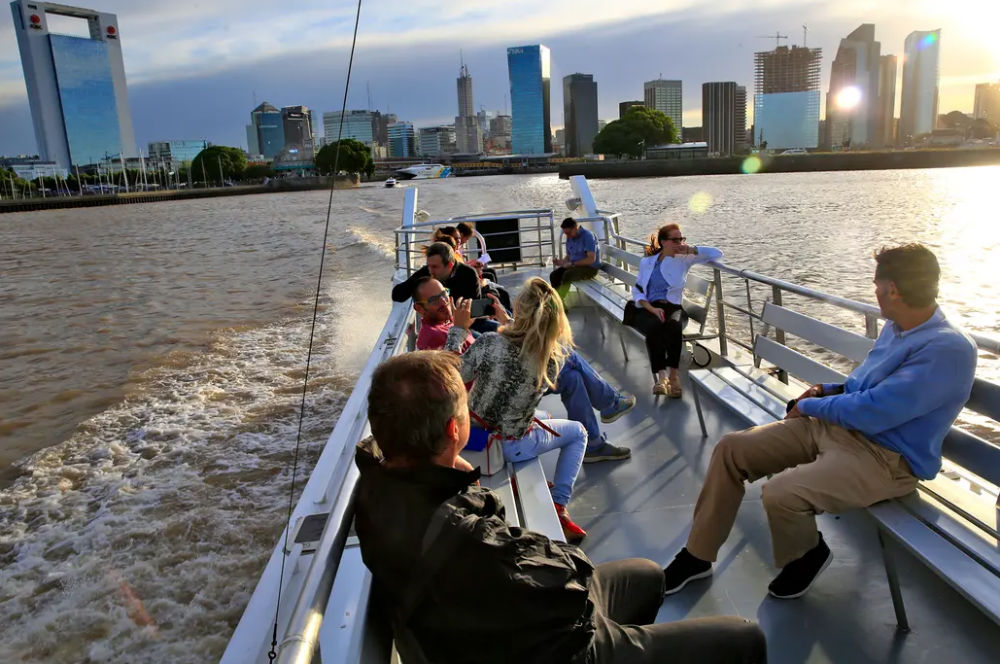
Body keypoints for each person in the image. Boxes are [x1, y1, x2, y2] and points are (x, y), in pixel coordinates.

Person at [355, 350, 768, 664]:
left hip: (487, 625)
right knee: (746, 637)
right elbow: (569, 577)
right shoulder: (468, 538)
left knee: (648, 575)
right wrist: (474, 491)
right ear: (453, 430)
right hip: (551, 647)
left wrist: (457, 479)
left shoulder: (377, 486)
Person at [662, 244, 977, 600]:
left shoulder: (947, 348)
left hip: (886, 459)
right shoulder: (898, 327)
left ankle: (808, 553)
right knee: (731, 449)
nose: (873, 291)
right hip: (841, 429)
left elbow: (878, 410)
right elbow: (864, 388)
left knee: (781, 493)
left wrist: (812, 408)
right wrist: (825, 391)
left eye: (876, 284)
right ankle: (697, 555)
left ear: (893, 289)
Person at [444, 278, 620, 542]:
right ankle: (559, 503)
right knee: (578, 432)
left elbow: (450, 377)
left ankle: (553, 500)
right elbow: (521, 355)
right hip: (514, 445)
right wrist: (511, 321)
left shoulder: (489, 342)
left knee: (541, 418)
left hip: (477, 437)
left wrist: (458, 330)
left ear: (519, 310)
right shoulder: (551, 359)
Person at [413, 277, 635, 463]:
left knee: (572, 375)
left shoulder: (448, 325)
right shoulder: (433, 336)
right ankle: (608, 405)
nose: (444, 301)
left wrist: (504, 323)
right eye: (435, 299)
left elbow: (494, 352)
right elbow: (450, 379)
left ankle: (595, 439)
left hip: (497, 381)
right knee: (564, 358)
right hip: (487, 403)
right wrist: (459, 329)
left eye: (445, 293)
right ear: (419, 308)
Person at [627, 224, 723, 397]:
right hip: (648, 307)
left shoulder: (684, 258)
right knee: (655, 326)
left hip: (673, 306)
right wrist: (651, 308)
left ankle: (673, 376)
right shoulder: (647, 262)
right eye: (675, 239)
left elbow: (717, 254)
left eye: (681, 238)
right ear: (663, 242)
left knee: (673, 325)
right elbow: (638, 290)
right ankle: (662, 378)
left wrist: (691, 249)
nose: (679, 242)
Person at [392, 241, 498, 333]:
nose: (430, 270)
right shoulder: (426, 273)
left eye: (435, 267)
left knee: (502, 329)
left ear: (450, 265)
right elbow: (397, 295)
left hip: (467, 324)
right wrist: (416, 283)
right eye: (428, 265)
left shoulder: (468, 274)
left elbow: (473, 309)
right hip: (439, 328)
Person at [550, 217, 601, 301]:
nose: (567, 235)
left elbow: (591, 259)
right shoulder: (570, 237)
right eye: (565, 233)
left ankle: (559, 301)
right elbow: (569, 256)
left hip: (590, 268)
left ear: (575, 228)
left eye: (569, 233)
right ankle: (557, 300)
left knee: (568, 275)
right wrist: (560, 262)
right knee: (554, 275)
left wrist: (572, 264)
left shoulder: (588, 236)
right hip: (575, 266)